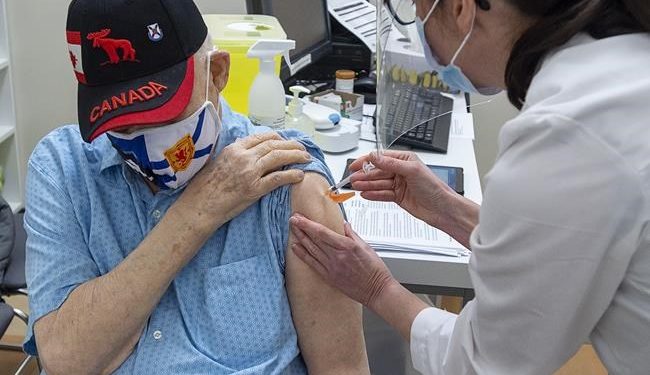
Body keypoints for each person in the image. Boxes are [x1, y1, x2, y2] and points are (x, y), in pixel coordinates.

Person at [290, 0, 650, 374]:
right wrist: (447, 209)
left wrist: (376, 287)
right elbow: (560, 246)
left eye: (417, 13)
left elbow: (484, 364)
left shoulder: (567, 134)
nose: (420, 35)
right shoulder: (617, 66)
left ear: (462, 8)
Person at [23, 0, 370, 374]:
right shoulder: (62, 168)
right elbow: (65, 360)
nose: (144, 143)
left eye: (163, 114)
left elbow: (342, 368)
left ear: (217, 73)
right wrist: (197, 212)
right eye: (122, 126)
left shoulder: (287, 183)